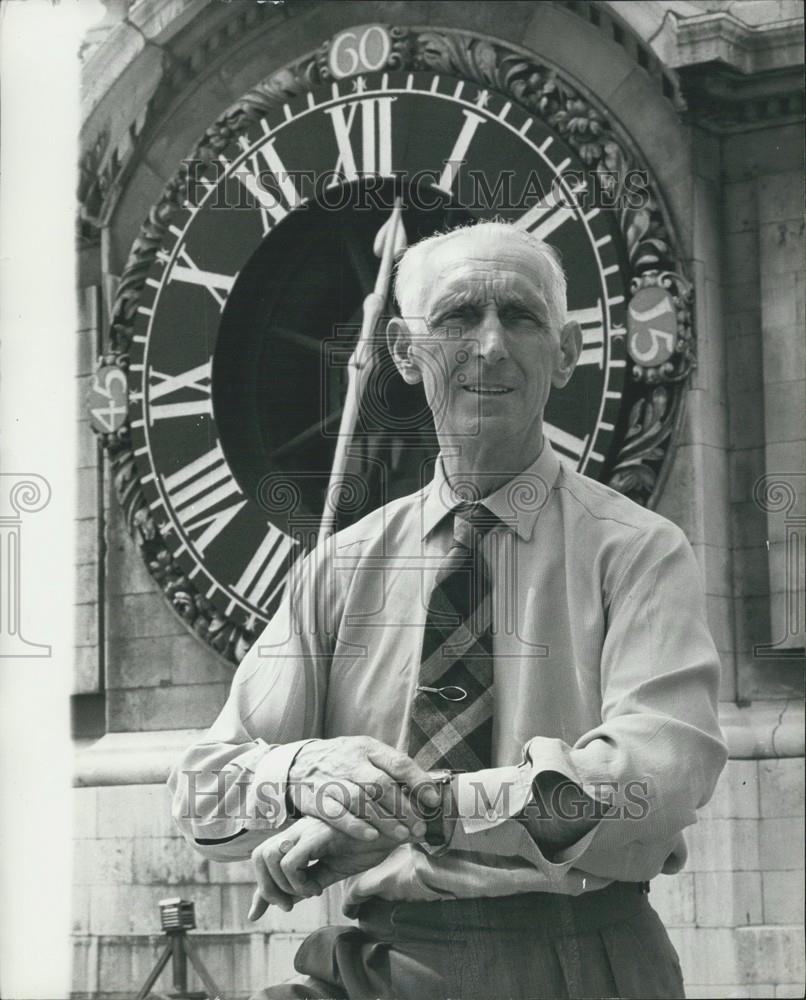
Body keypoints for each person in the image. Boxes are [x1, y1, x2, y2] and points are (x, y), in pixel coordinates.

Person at [168, 221, 728, 1000]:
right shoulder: (339, 569)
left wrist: (421, 809)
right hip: (375, 966)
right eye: (460, 316)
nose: (491, 345)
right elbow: (200, 794)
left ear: (564, 352)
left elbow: (653, 785)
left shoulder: (638, 552)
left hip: (573, 966)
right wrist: (306, 775)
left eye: (522, 317)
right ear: (402, 350)